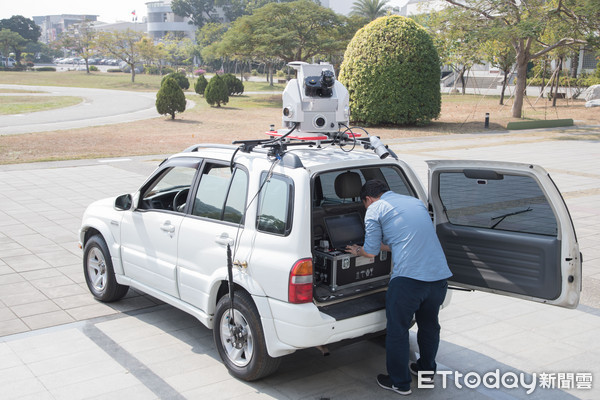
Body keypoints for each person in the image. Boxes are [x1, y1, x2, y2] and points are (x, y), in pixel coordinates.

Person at [346, 179, 452, 395]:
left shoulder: (375, 209)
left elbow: (372, 252)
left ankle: (399, 382)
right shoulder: (414, 202)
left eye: (365, 204)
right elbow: (404, 240)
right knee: (430, 326)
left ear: (367, 199)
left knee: (397, 331)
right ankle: (426, 371)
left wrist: (358, 251)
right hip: (439, 277)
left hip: (409, 281)